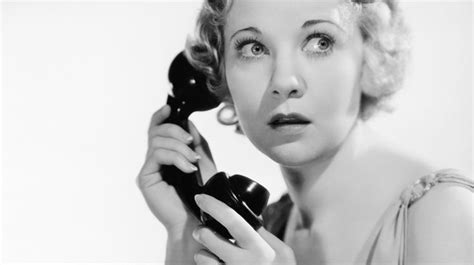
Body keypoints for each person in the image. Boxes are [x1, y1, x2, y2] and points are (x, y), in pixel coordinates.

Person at [136, 0, 473, 264]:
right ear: (218, 75)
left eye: (320, 41)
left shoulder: (443, 216)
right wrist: (188, 230)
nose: (284, 82)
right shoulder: (268, 230)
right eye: (254, 47)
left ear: (371, 54)